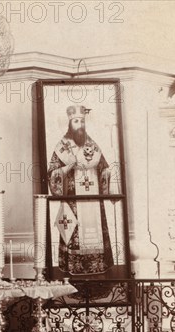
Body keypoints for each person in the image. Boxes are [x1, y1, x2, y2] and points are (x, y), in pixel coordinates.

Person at [47, 105, 114, 275]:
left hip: (93, 197)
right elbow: (52, 173)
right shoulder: (62, 146)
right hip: (73, 199)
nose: (80, 125)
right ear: (70, 124)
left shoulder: (92, 145)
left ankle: (99, 268)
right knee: (74, 229)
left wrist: (106, 173)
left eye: (82, 121)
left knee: (96, 230)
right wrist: (69, 166)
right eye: (76, 121)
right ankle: (73, 270)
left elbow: (104, 167)